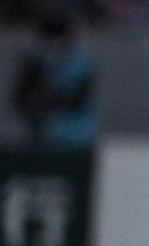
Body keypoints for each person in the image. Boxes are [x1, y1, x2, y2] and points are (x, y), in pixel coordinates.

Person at [9, 10, 97, 147]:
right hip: (42, 135)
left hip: (77, 135)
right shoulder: (34, 62)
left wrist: (54, 96)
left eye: (59, 40)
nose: (55, 45)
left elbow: (80, 100)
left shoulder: (82, 62)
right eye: (49, 40)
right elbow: (19, 99)